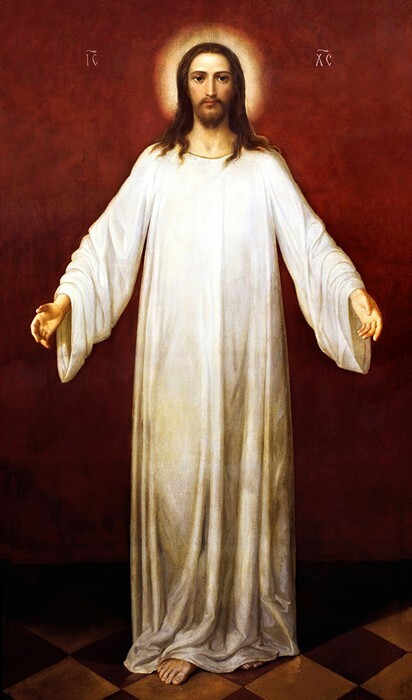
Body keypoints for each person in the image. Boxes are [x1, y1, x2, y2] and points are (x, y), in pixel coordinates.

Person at [30, 42, 382, 686]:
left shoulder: (264, 169)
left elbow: (311, 242)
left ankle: (233, 625)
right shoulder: (157, 166)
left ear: (237, 87)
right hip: (175, 360)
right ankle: (184, 626)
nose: (210, 88)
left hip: (247, 361)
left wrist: (352, 293)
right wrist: (66, 301)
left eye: (221, 77)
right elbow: (107, 244)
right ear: (183, 87)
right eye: (199, 77)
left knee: (241, 477)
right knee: (179, 483)